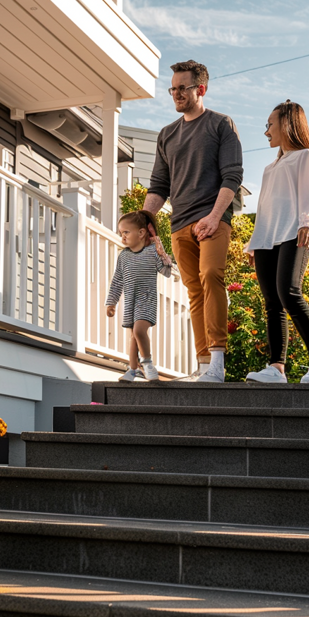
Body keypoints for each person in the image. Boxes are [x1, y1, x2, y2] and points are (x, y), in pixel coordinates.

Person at [144, 60, 244, 383]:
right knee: (194, 292)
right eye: (172, 89)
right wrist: (144, 220)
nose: (176, 94)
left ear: (200, 89)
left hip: (213, 219)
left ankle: (217, 360)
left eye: (182, 88)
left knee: (211, 275)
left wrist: (215, 218)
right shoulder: (167, 135)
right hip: (180, 224)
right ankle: (203, 366)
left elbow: (232, 176)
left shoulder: (220, 125)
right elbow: (159, 187)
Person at [245, 101, 309, 384]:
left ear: (286, 124)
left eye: (270, 125)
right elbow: (265, 207)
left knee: (289, 293)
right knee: (272, 303)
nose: (266, 131)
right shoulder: (270, 168)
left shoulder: (304, 156)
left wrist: (308, 222)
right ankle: (276, 369)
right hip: (266, 239)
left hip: (295, 232)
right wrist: (252, 243)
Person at [106, 209, 174, 382]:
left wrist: (162, 252)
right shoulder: (124, 257)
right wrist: (111, 303)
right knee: (133, 336)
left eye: (126, 232)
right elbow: (117, 281)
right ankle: (133, 369)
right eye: (121, 233)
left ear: (142, 233)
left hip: (147, 299)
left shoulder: (152, 252)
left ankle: (148, 363)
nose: (123, 236)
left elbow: (166, 271)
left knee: (139, 330)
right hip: (130, 301)